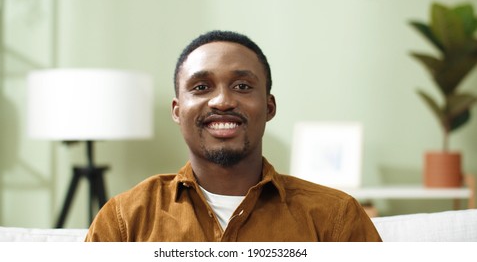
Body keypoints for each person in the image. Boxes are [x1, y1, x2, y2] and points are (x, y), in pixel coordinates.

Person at [85, 30, 382, 242]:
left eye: (241, 86)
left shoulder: (336, 217)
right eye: (201, 87)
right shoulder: (124, 220)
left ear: (268, 107)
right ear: (177, 111)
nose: (222, 101)